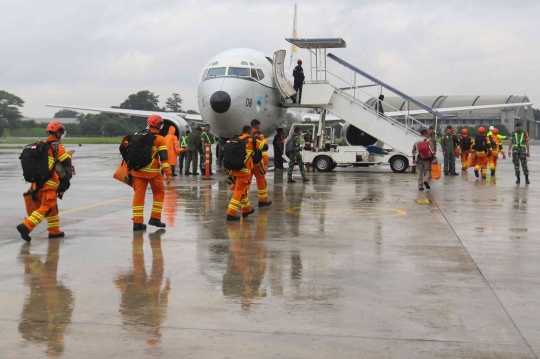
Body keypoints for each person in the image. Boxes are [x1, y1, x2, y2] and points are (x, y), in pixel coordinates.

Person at [17, 121, 72, 242]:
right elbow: (65, 161)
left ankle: (54, 231)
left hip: (37, 184)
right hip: (49, 184)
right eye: (61, 132)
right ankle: (26, 226)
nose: (61, 134)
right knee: (47, 207)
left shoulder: (42, 145)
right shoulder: (57, 145)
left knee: (52, 208)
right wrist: (69, 156)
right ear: (57, 132)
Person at [131, 115, 171, 231]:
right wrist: (168, 173)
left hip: (138, 173)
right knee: (159, 193)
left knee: (138, 197)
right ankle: (155, 218)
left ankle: (137, 223)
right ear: (158, 125)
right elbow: (164, 158)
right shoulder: (160, 139)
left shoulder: (139, 136)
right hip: (153, 173)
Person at [226, 126, 264, 221]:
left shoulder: (236, 139)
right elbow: (264, 146)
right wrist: (262, 138)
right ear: (250, 131)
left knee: (242, 191)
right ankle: (231, 213)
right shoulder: (252, 140)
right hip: (243, 172)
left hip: (233, 170)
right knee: (239, 192)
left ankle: (246, 209)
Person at [251, 119, 272, 207]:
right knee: (261, 181)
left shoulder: (247, 135)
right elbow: (264, 149)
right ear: (257, 126)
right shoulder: (260, 136)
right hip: (258, 164)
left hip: (248, 164)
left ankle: (242, 201)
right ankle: (262, 201)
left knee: (246, 183)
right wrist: (266, 164)